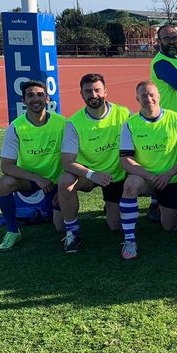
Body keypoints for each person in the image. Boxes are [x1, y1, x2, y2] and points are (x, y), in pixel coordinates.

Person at [118, 81, 177, 260]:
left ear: (159, 96)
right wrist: (150, 176)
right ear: (137, 99)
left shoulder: (176, 118)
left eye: (152, 94)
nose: (148, 98)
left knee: (170, 227)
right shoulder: (130, 124)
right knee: (130, 185)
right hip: (145, 179)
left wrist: (170, 173)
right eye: (143, 95)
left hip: (171, 179)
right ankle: (129, 240)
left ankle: (161, 204)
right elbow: (126, 160)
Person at [57, 73, 130, 253]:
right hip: (88, 175)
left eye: (97, 90)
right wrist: (92, 174)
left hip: (116, 176)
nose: (93, 95)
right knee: (65, 182)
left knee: (115, 226)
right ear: (81, 94)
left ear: (105, 91)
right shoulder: (74, 122)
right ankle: (72, 233)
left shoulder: (124, 113)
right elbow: (67, 162)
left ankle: (113, 205)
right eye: (88, 91)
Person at [0, 80, 67, 250]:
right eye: (30, 95)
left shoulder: (62, 123)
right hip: (31, 181)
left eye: (40, 95)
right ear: (23, 100)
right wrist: (38, 179)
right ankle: (13, 231)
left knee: (60, 227)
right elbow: (7, 166)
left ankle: (55, 205)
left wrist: (63, 187)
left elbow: (74, 157)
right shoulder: (16, 127)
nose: (36, 99)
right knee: (3, 184)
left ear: (48, 99)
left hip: (57, 181)